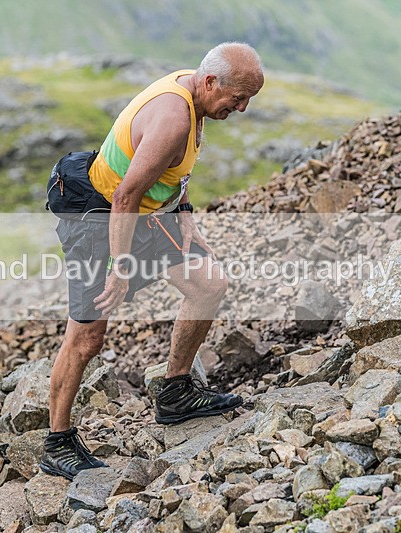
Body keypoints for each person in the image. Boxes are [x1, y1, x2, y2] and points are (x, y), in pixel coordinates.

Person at [40, 42, 265, 480]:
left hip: (142, 214)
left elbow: (170, 172)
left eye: (249, 100)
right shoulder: (173, 117)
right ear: (211, 82)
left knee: (208, 284)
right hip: (99, 217)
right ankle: (57, 442)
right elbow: (126, 194)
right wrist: (121, 267)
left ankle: (176, 392)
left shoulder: (194, 89)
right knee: (87, 336)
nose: (241, 109)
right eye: (238, 98)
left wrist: (185, 216)